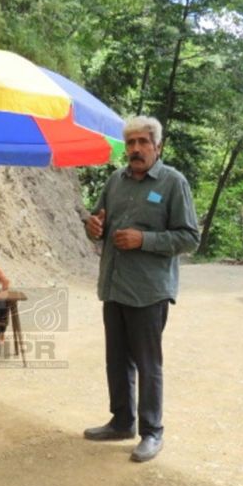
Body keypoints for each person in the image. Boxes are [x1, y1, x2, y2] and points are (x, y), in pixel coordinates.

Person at [83, 115, 200, 463]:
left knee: (148, 365)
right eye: (131, 142)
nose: (135, 149)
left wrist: (143, 239)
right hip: (114, 286)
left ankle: (152, 432)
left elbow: (190, 237)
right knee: (116, 362)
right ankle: (121, 422)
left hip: (149, 291)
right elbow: (99, 224)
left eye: (143, 142)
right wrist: (94, 226)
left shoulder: (172, 183)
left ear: (157, 146)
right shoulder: (115, 181)